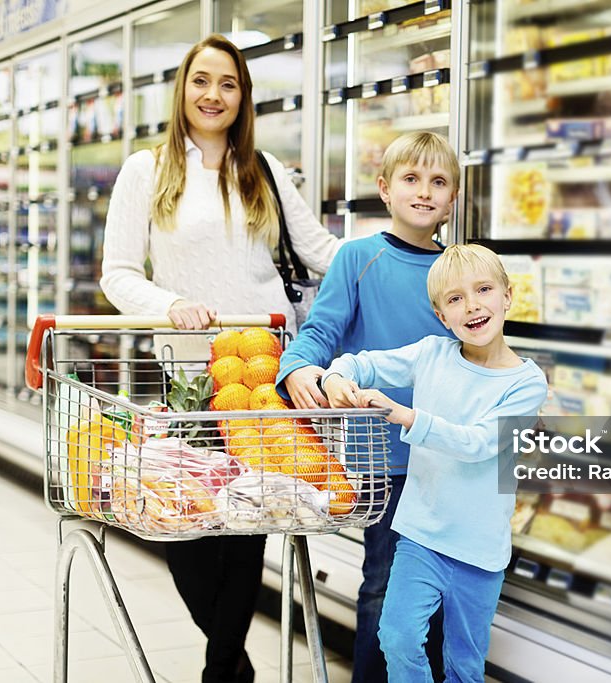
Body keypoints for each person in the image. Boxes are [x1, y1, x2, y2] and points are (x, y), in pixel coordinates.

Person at [100, 34, 340, 683]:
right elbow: (118, 273)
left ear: (243, 96)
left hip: (264, 371)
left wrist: (405, 246)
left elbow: (321, 251)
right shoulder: (145, 171)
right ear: (182, 88)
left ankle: (221, 675)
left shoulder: (263, 170)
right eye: (202, 80)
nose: (214, 94)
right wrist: (170, 300)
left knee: (247, 523)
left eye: (228, 84)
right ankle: (231, 665)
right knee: (187, 532)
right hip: (188, 372)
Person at [274, 131, 459, 681]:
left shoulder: (458, 268)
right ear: (384, 188)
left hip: (448, 455)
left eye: (438, 182)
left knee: (443, 589)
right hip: (385, 458)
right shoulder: (359, 257)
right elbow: (319, 333)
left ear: (452, 198)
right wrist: (300, 368)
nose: (424, 192)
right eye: (411, 179)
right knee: (385, 582)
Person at [321, 244, 548, 682]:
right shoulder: (430, 354)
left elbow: (480, 443)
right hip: (421, 534)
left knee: (464, 662)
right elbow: (361, 363)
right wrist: (335, 376)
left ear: (508, 295)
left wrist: (404, 414)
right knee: (397, 638)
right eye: (455, 299)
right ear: (443, 316)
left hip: (479, 548)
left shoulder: (526, 382)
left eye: (483, 289)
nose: (473, 305)